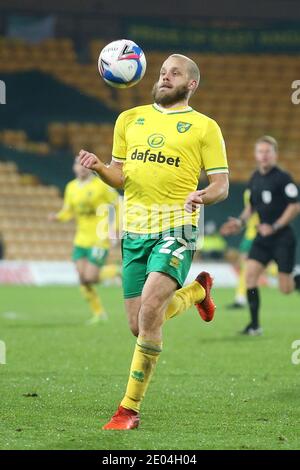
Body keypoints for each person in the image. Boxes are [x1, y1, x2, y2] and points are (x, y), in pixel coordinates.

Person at [79, 54, 229, 429]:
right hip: (134, 231)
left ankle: (128, 410)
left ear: (191, 84)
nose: (165, 77)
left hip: (178, 227)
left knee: (149, 314)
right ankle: (196, 293)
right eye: (162, 72)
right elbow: (120, 175)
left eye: (174, 73)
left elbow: (221, 185)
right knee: (138, 323)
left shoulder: (205, 127)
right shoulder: (128, 119)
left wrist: (202, 196)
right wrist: (100, 168)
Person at [221, 136, 300, 335]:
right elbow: (252, 207)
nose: (263, 156)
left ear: (275, 154)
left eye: (267, 152)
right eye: (260, 152)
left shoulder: (283, 178)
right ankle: (254, 325)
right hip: (263, 238)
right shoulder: (255, 178)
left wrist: (274, 226)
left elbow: (294, 206)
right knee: (250, 276)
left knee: (286, 289)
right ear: (256, 155)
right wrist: (239, 222)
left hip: (282, 237)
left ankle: (296, 278)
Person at [48, 156, 119, 324]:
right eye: (77, 164)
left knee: (90, 277)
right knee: (82, 278)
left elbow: (118, 204)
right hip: (81, 238)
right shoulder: (71, 187)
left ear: (90, 167)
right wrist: (57, 217)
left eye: (84, 165)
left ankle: (116, 271)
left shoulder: (101, 185)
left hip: (99, 237)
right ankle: (99, 313)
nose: (81, 168)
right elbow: (68, 211)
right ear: (74, 167)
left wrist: (114, 228)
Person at [225, 189, 259, 309]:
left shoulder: (251, 191)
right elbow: (250, 212)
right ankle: (240, 298)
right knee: (245, 266)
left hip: (259, 234)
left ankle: (240, 298)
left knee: (248, 266)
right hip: (251, 234)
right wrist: (239, 224)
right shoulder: (250, 191)